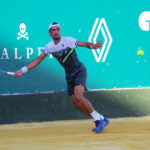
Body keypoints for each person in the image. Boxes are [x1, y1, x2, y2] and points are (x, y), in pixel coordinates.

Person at [14, 22, 109, 133]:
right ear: (50, 34)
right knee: (76, 103)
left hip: (79, 70)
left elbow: (85, 44)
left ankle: (98, 120)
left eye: (57, 29)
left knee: (79, 96)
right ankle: (100, 118)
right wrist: (22, 70)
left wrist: (93, 46)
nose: (56, 31)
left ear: (60, 31)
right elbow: (38, 60)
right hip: (69, 75)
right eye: (53, 30)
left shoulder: (68, 40)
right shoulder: (49, 47)